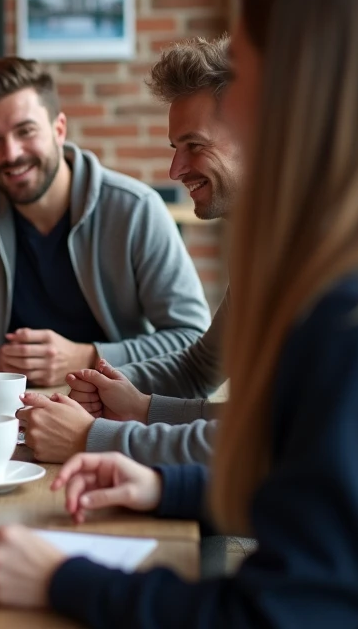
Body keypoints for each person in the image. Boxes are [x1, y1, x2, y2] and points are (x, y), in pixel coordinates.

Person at [0, 0, 358, 628]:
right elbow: (295, 472)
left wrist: (63, 578)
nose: (229, 97)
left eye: (244, 68)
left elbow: (281, 613)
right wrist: (166, 484)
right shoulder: (353, 260)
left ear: (303, 84)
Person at [0, 57, 210, 386]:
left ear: (59, 129)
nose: (11, 153)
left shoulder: (136, 209)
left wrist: (87, 357)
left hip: (118, 404)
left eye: (25, 131)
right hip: (10, 406)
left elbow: (192, 338)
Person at [21, 36, 241, 465]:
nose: (175, 170)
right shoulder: (260, 246)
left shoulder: (315, 256)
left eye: (194, 145)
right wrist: (119, 391)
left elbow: (264, 445)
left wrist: (94, 438)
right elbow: (201, 368)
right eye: (175, 149)